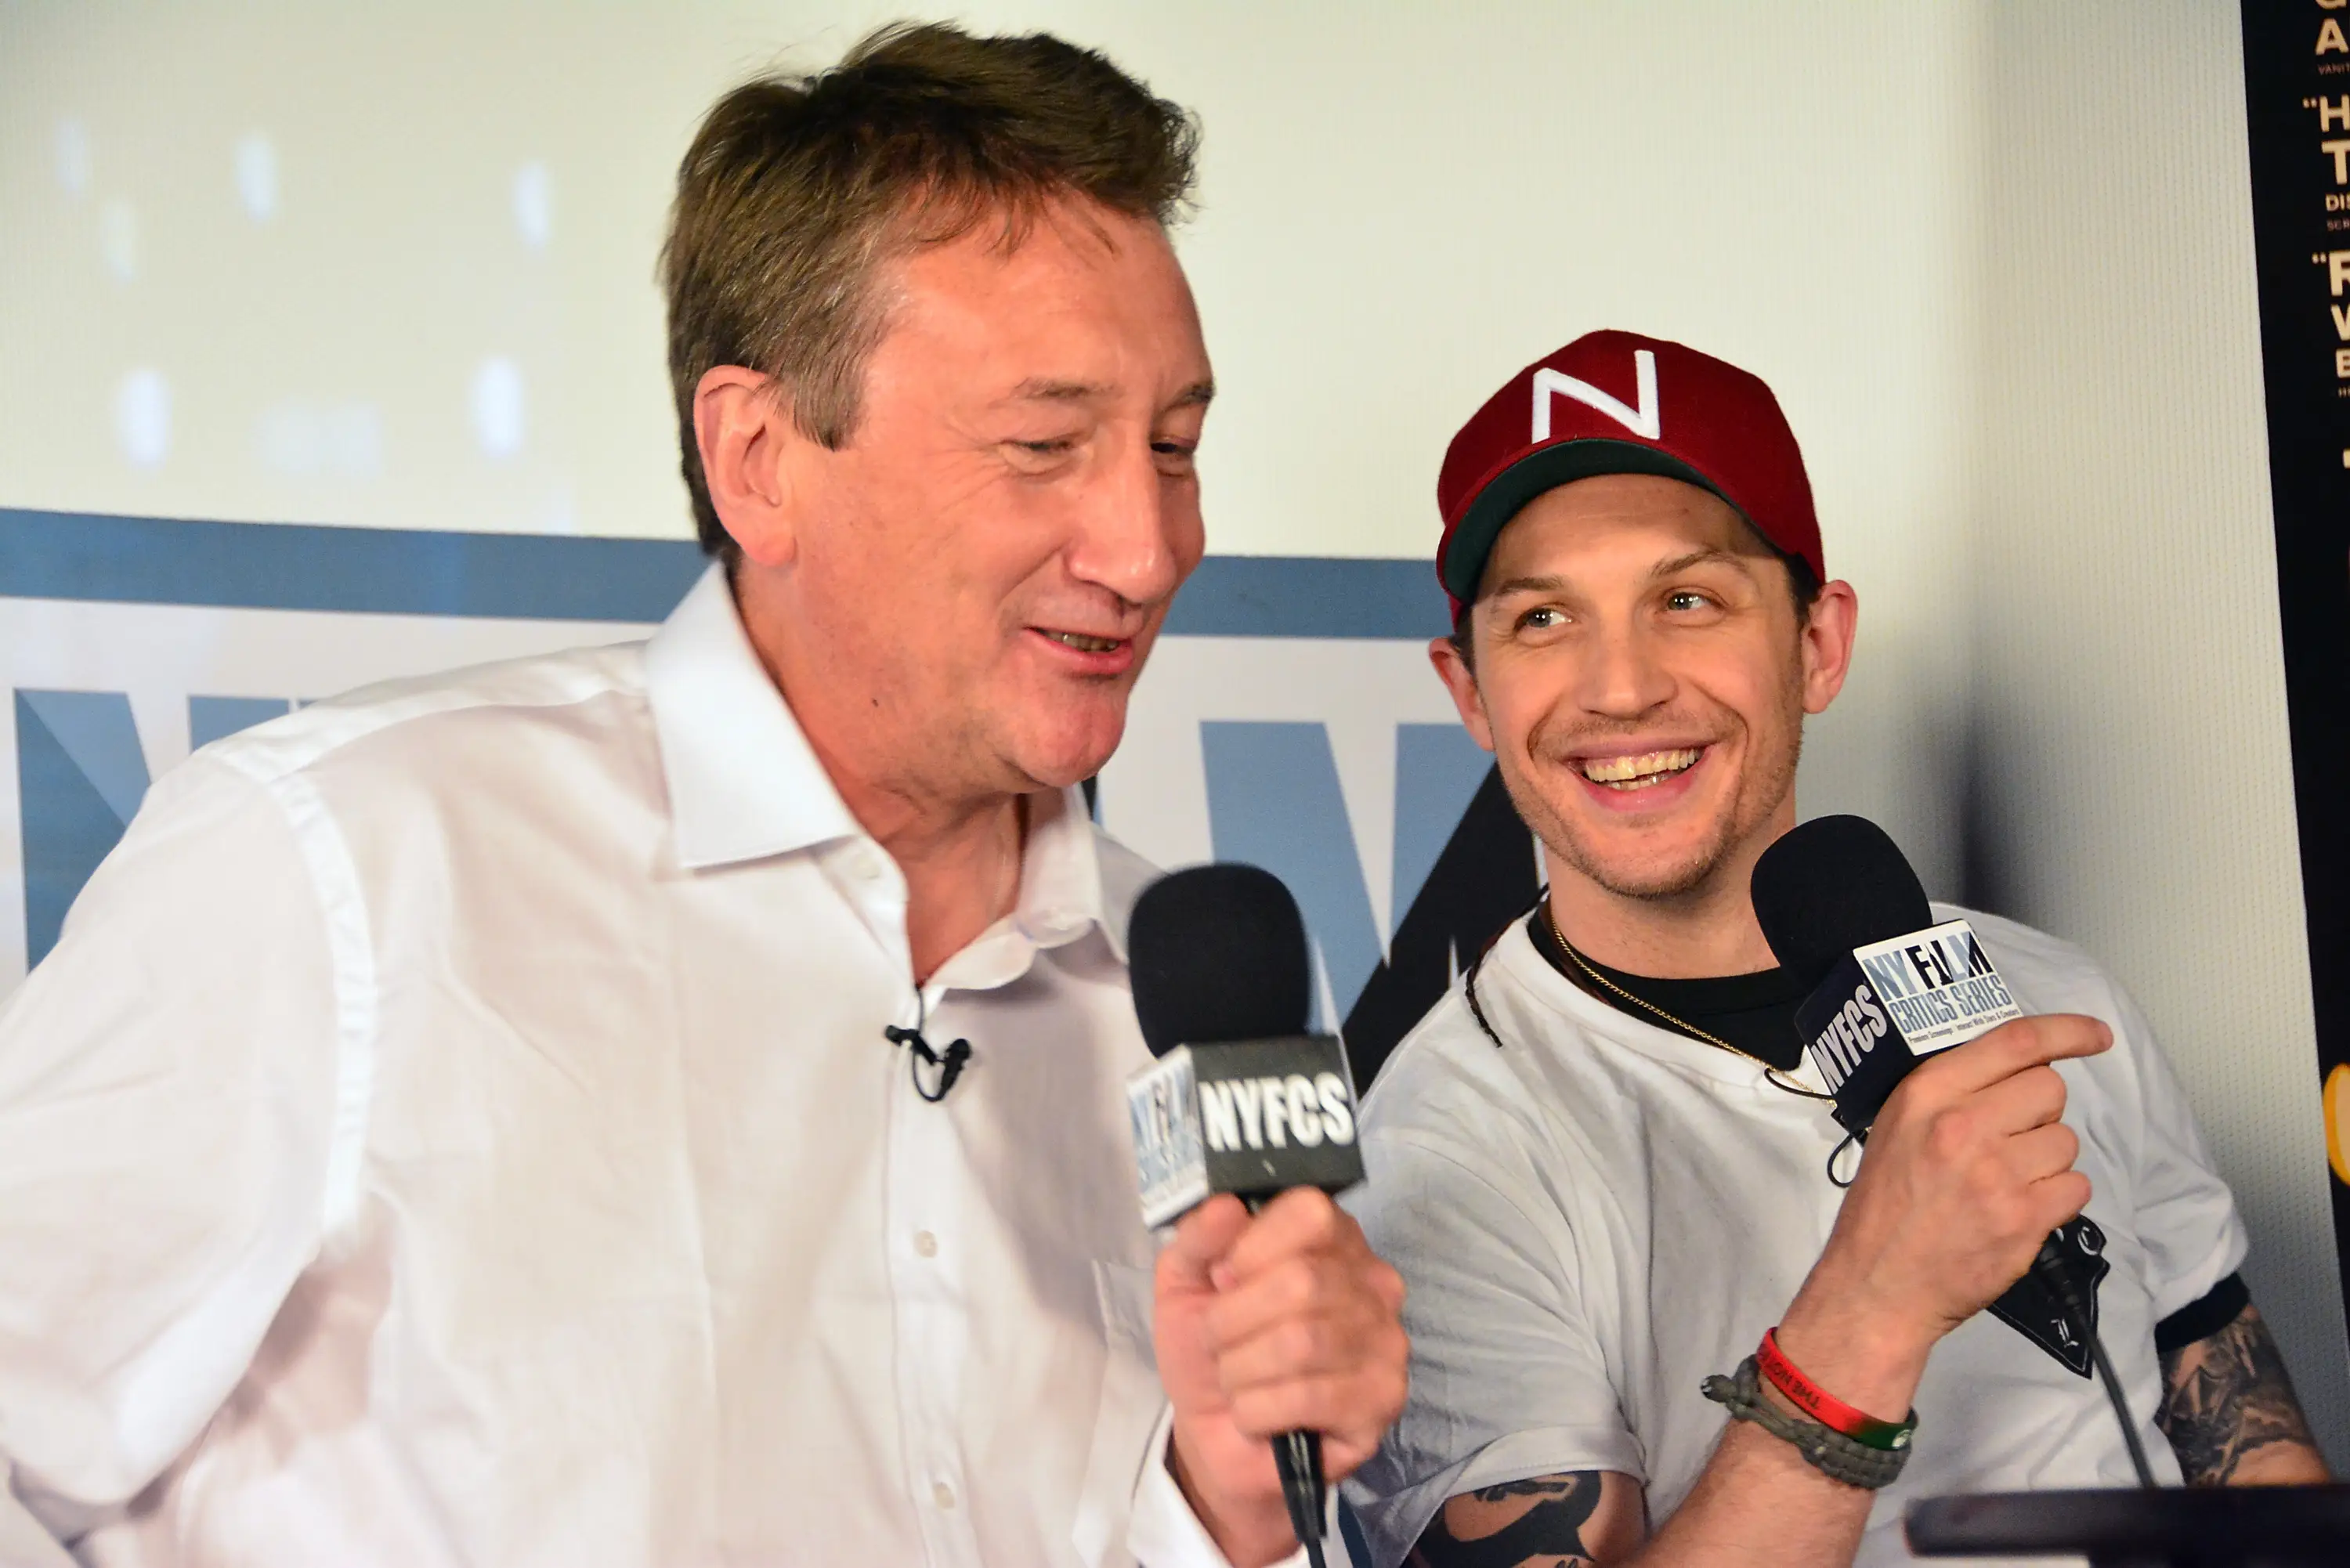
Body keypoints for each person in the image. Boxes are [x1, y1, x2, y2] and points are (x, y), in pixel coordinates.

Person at [0, 24, 1405, 1568]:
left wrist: (1225, 1506)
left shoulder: (1190, 990)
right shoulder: (343, 862)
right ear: (758, 456)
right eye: (1044, 445)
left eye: (1175, 445)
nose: (1147, 548)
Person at [1341, 330, 2330, 1568]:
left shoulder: (2052, 994)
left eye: (1686, 599)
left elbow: (2234, 1410)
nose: (1622, 686)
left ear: (1818, 642)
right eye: (1545, 617)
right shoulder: (1439, 1156)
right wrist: (1874, 1303)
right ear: (1472, 692)